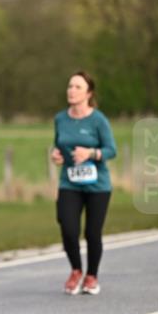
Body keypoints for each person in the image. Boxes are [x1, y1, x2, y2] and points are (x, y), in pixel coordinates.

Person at [51, 71, 116, 295]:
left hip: (98, 185)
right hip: (69, 182)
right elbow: (58, 145)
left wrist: (90, 153)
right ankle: (76, 270)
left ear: (88, 93)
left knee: (92, 233)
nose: (71, 90)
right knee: (68, 228)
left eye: (77, 87)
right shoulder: (60, 119)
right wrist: (56, 155)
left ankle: (91, 276)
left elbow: (111, 150)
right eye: (70, 86)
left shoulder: (98, 120)